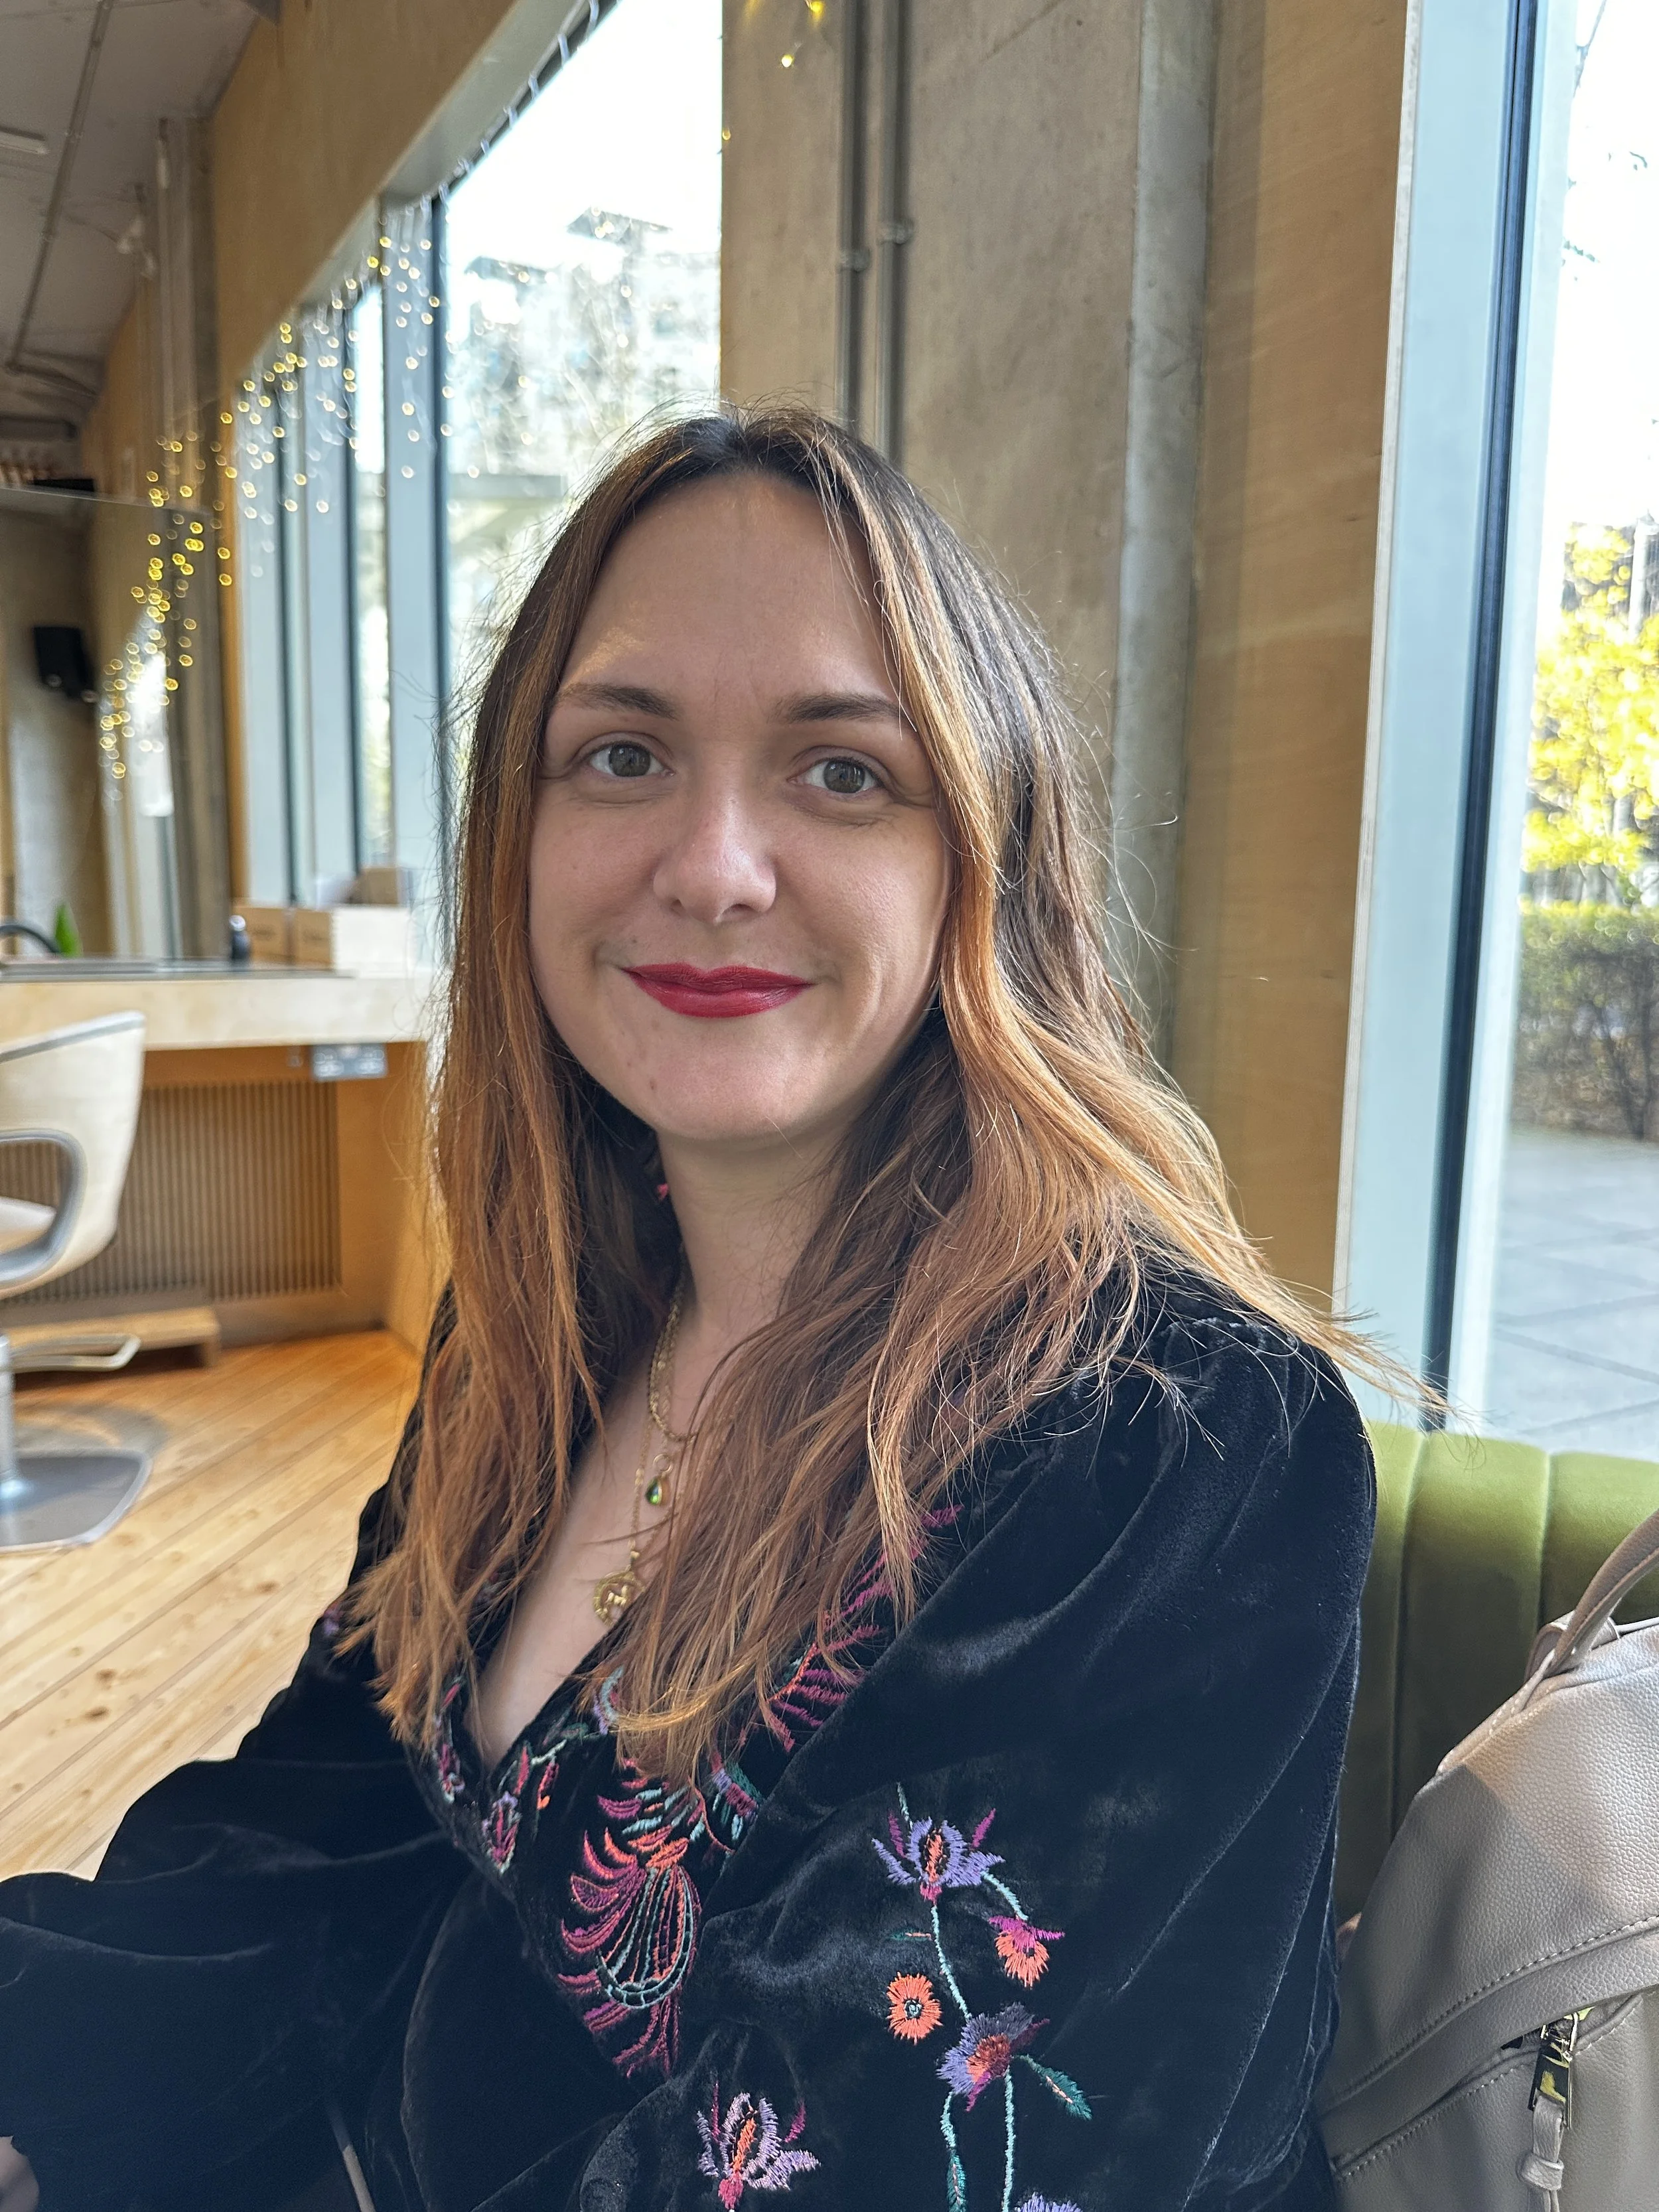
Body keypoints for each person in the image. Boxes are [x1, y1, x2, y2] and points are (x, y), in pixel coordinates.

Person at [0, 407, 1376, 2212]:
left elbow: (876, 2162)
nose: (714, 864)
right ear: (518, 834)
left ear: (982, 852)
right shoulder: (545, 1323)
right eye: (623, 752)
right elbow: (335, 1796)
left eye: (840, 772)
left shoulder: (1165, 1447)